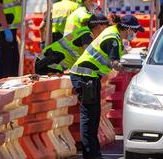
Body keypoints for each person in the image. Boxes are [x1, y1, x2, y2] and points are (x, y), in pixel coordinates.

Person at [70, 15, 144, 159]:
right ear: (128, 29)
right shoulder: (112, 38)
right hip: (85, 77)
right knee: (89, 118)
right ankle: (90, 155)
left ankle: (94, 153)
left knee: (94, 116)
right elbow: (115, 63)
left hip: (91, 77)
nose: (134, 35)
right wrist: (134, 69)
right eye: (134, 31)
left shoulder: (113, 34)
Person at [34, 13, 109, 75]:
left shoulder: (85, 31)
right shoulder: (87, 35)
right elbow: (89, 55)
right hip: (47, 64)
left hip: (47, 63)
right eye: (106, 26)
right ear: (100, 26)